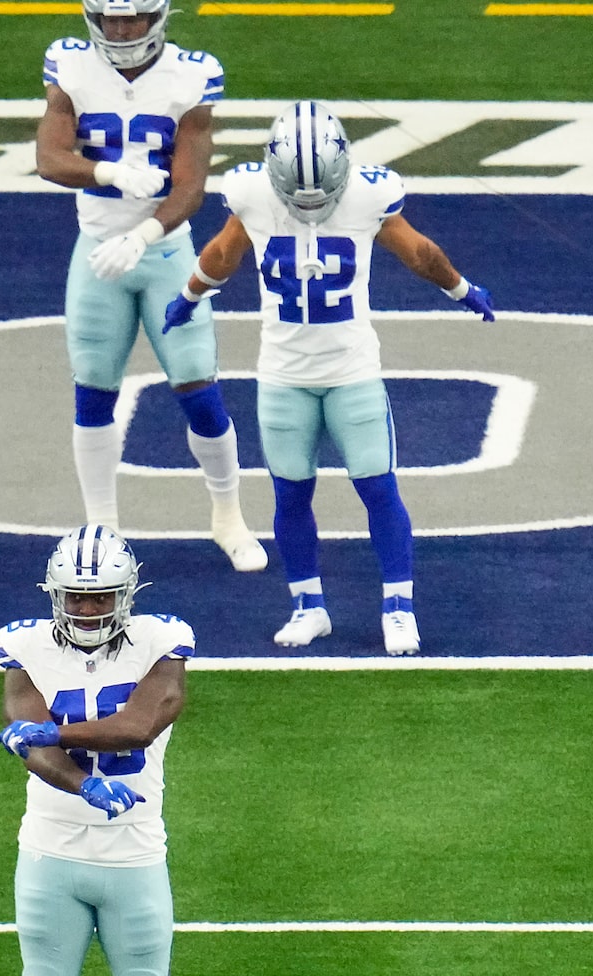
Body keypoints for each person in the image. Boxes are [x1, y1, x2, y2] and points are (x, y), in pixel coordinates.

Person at [164, 103, 493, 655]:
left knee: (378, 488)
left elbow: (420, 252)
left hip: (351, 371)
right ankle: (308, 606)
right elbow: (224, 251)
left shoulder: (367, 196)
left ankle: (398, 607)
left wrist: (460, 288)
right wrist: (190, 292)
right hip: (283, 375)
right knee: (290, 493)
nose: (310, 200)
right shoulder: (252, 195)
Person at [0, 525, 218, 976]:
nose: (88, 611)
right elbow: (26, 740)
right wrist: (81, 781)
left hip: (135, 853)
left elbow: (139, 725)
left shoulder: (162, 639)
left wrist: (51, 735)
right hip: (52, 851)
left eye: (100, 599)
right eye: (77, 598)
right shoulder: (23, 644)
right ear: (54, 595)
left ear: (126, 596)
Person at [32, 0, 264, 571]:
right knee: (93, 392)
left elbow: (190, 186)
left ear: (157, 17)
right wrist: (107, 172)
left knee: (198, 388)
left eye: (132, 17)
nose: (121, 28)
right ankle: (103, 528)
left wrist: (143, 235)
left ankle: (228, 516)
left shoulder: (191, 74)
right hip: (95, 252)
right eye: (111, 18)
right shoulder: (70, 64)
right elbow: (48, 157)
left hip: (163, 252)